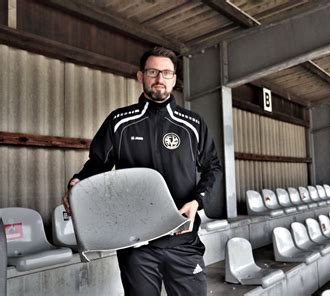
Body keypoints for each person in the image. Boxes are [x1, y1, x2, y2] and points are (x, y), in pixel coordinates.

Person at [63, 46, 222, 296]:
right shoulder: (119, 121)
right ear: (140, 76)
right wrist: (77, 182)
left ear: (174, 79)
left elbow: (213, 167)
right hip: (135, 243)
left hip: (183, 239)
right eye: (153, 71)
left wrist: (197, 201)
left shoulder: (192, 124)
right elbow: (97, 164)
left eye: (166, 73)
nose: (160, 78)